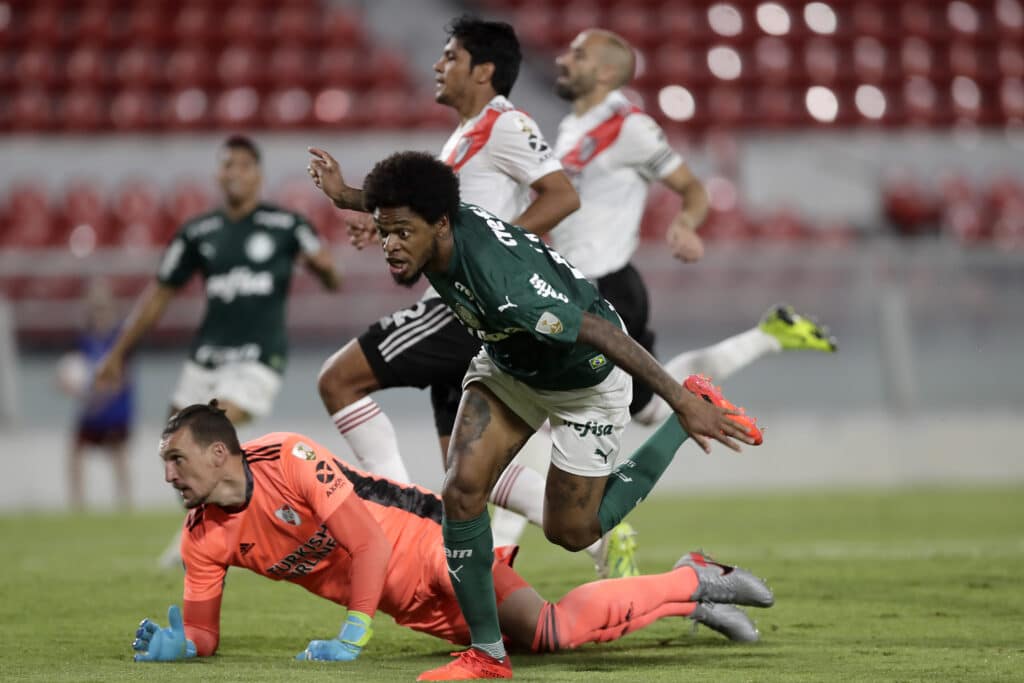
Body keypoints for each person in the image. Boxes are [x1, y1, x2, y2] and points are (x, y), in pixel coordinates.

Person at [326, 150, 763, 680]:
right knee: (462, 491)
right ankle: (488, 655)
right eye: (384, 232)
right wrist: (346, 196)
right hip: (508, 366)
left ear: (440, 224)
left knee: (572, 531)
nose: (390, 246)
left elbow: (599, 332)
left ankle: (684, 419)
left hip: (585, 383)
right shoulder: (439, 216)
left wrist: (680, 401)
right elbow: (401, 207)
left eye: (401, 233)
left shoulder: (504, 288)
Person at [310, 16, 643, 577]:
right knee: (465, 474)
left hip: (469, 302)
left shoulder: (505, 124)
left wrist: (496, 257)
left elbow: (561, 196)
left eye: (451, 57)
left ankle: (398, 523)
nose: (437, 66)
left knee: (339, 380)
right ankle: (605, 541)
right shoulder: (465, 135)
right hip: (469, 304)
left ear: (484, 70)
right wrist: (363, 207)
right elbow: (438, 212)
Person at [130, 401, 774, 674]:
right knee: (541, 644)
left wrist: (352, 633)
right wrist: (181, 644)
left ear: (219, 453)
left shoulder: (289, 456)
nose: (168, 476)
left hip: (435, 545)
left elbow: (368, 543)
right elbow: (205, 633)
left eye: (176, 460)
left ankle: (694, 579)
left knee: (552, 630)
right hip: (409, 605)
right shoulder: (201, 538)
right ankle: (691, 591)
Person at [551, 28, 837, 429]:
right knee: (648, 411)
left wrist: (685, 224)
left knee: (549, 395)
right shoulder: (572, 127)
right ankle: (769, 335)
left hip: (604, 288)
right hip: (573, 281)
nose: (563, 60)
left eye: (578, 55)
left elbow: (692, 188)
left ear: (605, 73)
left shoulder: (629, 127)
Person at [95, 134, 339, 566]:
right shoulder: (198, 232)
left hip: (258, 356)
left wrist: (323, 270)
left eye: (244, 165)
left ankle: (258, 524)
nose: (235, 173)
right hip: (206, 357)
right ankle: (205, 531)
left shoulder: (287, 225)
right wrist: (117, 352)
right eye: (228, 165)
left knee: (210, 427)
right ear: (218, 174)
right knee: (177, 445)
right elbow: (159, 294)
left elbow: (332, 275)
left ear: (258, 174)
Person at [58, 279, 134, 509]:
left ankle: (124, 504)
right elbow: (69, 373)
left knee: (118, 454)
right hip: (91, 411)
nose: (98, 311)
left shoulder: (120, 338)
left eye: (101, 305)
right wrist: (66, 384)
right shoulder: (82, 339)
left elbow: (122, 377)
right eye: (93, 306)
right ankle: (78, 505)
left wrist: (100, 392)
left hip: (115, 410)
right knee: (75, 453)